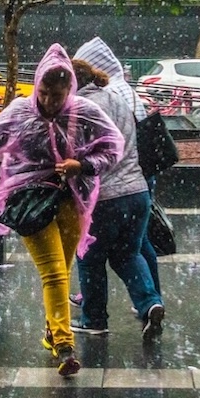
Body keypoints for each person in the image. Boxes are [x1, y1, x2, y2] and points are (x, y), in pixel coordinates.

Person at [0, 44, 123, 377]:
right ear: (36, 86)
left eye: (56, 95)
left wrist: (83, 164)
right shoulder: (19, 111)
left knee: (63, 265)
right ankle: (64, 344)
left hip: (72, 200)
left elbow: (113, 145)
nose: (48, 101)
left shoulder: (84, 111)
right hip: (29, 202)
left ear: (69, 90)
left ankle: (51, 330)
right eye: (44, 93)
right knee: (54, 273)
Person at [68, 59, 164, 341]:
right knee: (127, 254)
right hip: (137, 192)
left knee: (89, 258)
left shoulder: (78, 109)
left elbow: (75, 153)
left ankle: (94, 318)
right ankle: (149, 303)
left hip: (104, 196)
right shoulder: (116, 99)